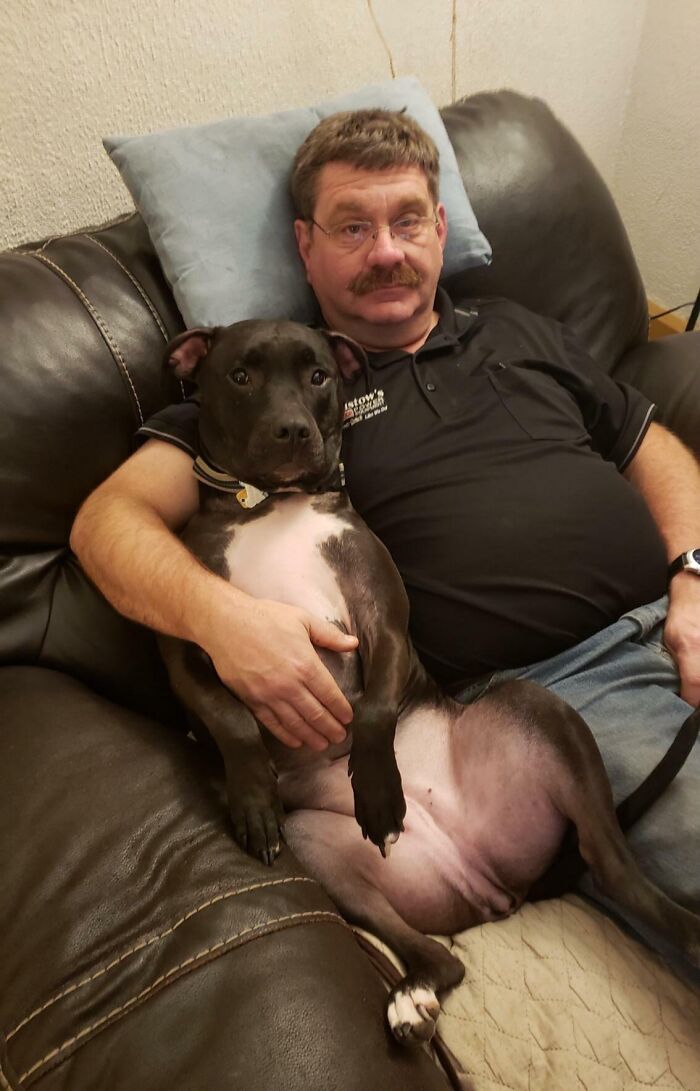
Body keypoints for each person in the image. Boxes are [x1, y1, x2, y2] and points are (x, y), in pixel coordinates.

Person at [70, 109, 700, 927]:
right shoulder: (269, 393)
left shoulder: (515, 325)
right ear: (305, 247)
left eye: (406, 221)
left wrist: (691, 576)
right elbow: (106, 523)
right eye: (353, 227)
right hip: (565, 687)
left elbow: (648, 443)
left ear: (440, 228)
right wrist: (223, 622)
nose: (387, 251)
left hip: (676, 611)